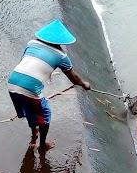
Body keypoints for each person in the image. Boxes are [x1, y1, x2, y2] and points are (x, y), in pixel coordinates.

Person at [7, 19, 90, 153]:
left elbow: (28, 62)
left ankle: (34, 134)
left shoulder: (31, 43)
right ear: (60, 41)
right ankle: (42, 145)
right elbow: (74, 78)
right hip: (30, 88)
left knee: (29, 109)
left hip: (12, 82)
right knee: (44, 114)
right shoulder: (61, 55)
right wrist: (84, 84)